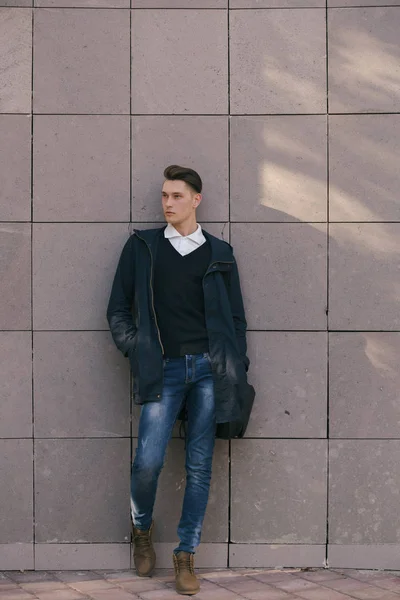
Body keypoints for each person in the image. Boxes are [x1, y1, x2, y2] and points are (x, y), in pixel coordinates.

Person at [107, 165, 253, 596]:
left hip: (209, 371)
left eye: (175, 196)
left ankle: (186, 555)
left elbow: (236, 319)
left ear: (195, 200)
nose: (166, 203)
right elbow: (117, 308)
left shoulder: (220, 253)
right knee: (148, 462)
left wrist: (234, 364)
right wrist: (137, 347)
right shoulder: (142, 248)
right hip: (163, 369)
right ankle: (141, 530)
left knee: (199, 466)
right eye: (164, 196)